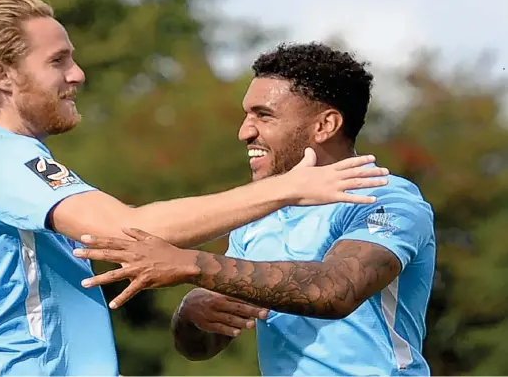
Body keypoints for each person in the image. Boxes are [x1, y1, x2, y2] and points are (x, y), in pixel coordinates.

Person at [0, 0, 389, 376]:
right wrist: (286, 188)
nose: (77, 74)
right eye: (58, 61)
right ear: (2, 76)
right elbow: (129, 231)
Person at [73, 42, 436, 376]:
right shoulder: (261, 210)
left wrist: (189, 264)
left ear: (325, 125)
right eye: (247, 115)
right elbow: (199, 348)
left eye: (264, 116)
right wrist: (193, 316)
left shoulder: (387, 200)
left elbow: (336, 289)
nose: (244, 132)